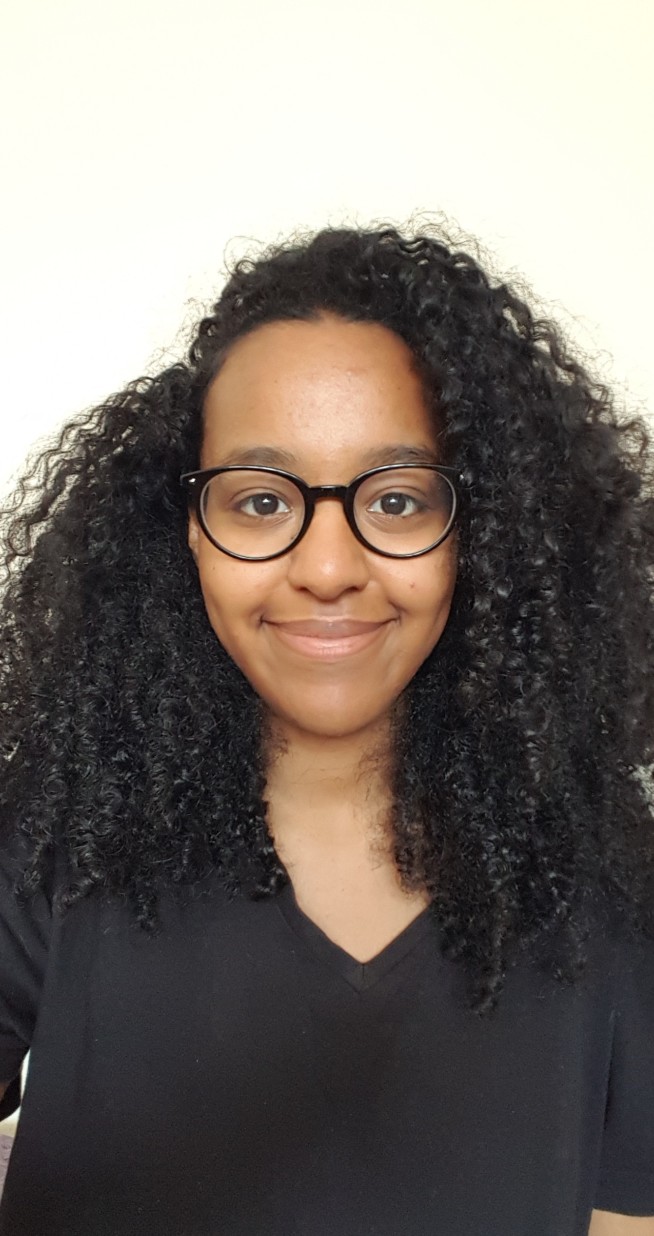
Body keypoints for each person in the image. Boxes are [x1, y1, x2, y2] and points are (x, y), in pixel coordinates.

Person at [0, 223, 652, 1236]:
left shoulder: (616, 883)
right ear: (187, 531)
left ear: (483, 533)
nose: (329, 567)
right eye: (262, 501)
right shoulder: (54, 837)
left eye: (396, 500)